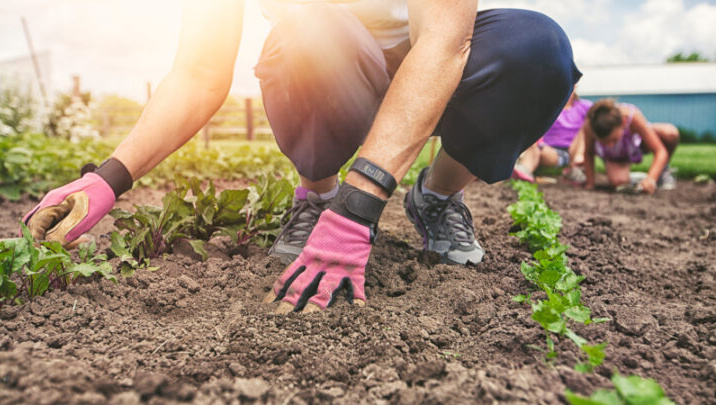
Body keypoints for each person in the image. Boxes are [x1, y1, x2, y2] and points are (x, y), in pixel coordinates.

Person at [23, 0, 581, 313]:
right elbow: (198, 72)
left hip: (430, 55)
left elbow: (446, 41)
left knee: (537, 48)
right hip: (335, 60)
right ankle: (317, 195)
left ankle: (437, 195)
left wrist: (361, 205)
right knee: (310, 29)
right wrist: (107, 178)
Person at [583, 99, 679, 194]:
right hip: (613, 156)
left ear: (624, 123)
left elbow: (660, 151)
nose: (610, 145)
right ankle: (638, 178)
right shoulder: (591, 125)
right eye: (604, 142)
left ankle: (662, 173)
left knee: (670, 133)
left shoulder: (633, 117)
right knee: (618, 182)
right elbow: (588, 153)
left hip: (636, 145)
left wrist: (651, 179)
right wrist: (590, 183)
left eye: (614, 140)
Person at [512, 88, 590, 183]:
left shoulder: (584, 106)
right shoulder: (549, 107)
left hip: (575, 148)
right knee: (535, 145)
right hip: (552, 151)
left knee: (586, 127)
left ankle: (576, 167)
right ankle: (524, 171)